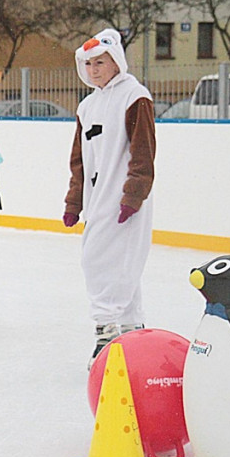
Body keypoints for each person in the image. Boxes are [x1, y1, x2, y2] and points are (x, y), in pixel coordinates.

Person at [63, 28, 156, 369]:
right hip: (98, 197)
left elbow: (143, 151)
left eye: (100, 62)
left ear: (116, 61)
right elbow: (80, 160)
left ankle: (106, 331)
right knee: (115, 263)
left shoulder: (135, 96)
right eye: (88, 64)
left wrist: (133, 195)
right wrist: (74, 201)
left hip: (125, 199)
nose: (94, 70)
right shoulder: (87, 106)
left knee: (100, 260)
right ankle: (133, 330)